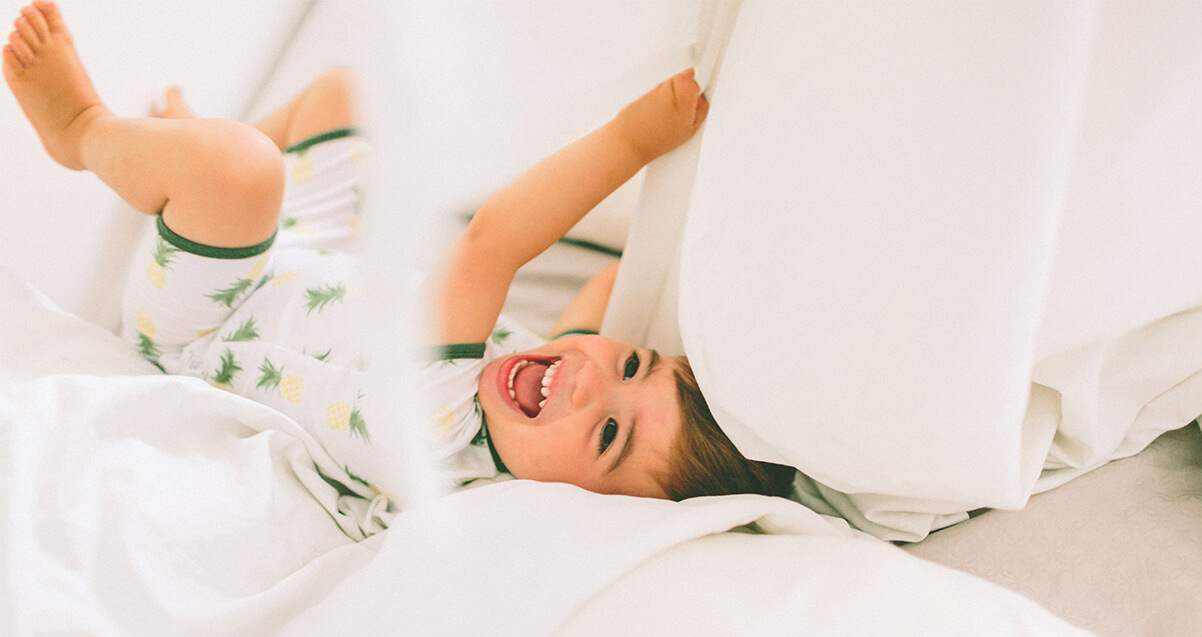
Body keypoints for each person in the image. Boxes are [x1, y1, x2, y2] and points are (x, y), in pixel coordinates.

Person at [3, 0, 794, 503]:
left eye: (609, 435)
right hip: (307, 257)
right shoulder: (536, 401)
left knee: (239, 171)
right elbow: (606, 294)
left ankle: (83, 131)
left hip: (206, 320)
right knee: (343, 94)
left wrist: (632, 141)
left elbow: (494, 241)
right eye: (631, 366)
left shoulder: (441, 430)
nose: (590, 381)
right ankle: (184, 157)